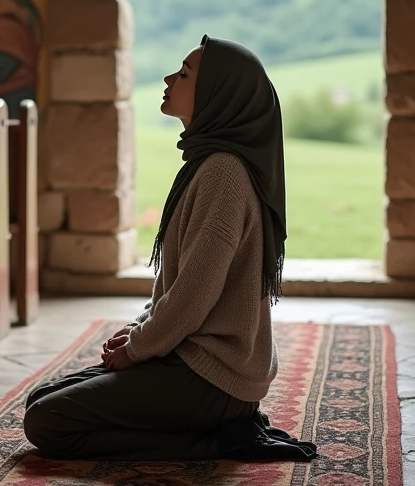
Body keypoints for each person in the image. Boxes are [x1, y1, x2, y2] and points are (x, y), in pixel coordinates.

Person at [22, 35, 317, 463]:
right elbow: (177, 282)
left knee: (47, 422)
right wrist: (142, 327)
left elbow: (195, 293)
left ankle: (221, 442)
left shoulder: (223, 173)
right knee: (42, 396)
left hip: (213, 376)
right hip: (192, 360)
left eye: (183, 74)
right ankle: (220, 426)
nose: (167, 78)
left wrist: (140, 346)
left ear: (217, 94)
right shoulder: (208, 163)